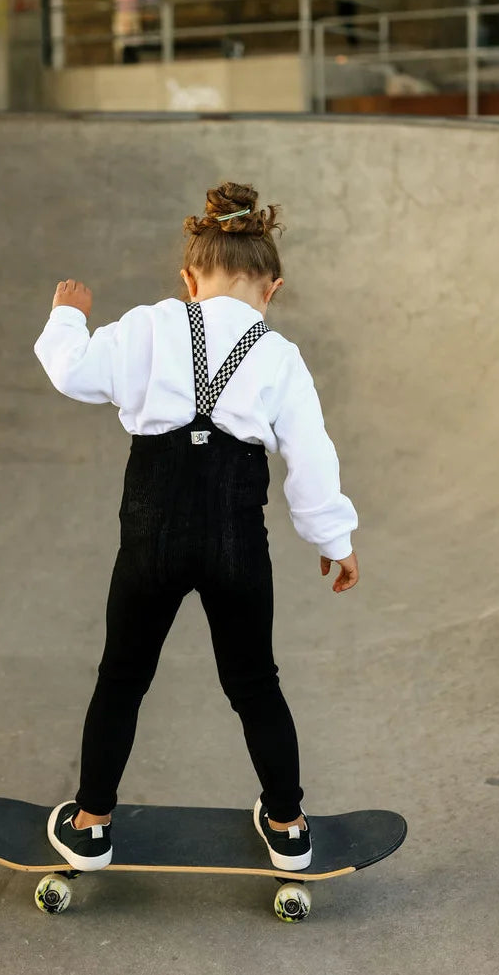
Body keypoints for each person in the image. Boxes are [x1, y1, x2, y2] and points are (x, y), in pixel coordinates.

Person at [33, 182, 360, 873]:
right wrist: (334, 540)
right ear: (273, 287)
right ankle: (290, 825)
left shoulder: (146, 329)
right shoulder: (279, 355)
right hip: (237, 541)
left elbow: (71, 372)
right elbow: (311, 455)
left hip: (151, 535)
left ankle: (91, 824)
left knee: (122, 677)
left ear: (188, 277)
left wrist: (67, 318)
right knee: (254, 683)